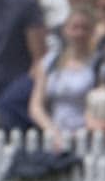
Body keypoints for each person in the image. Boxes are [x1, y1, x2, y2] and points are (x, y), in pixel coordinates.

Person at [28, 8, 98, 141]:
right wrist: (51, 130)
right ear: (65, 30)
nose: (79, 33)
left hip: (86, 134)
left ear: (92, 31)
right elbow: (35, 105)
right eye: (75, 28)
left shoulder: (98, 64)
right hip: (55, 132)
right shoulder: (50, 62)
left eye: (85, 28)